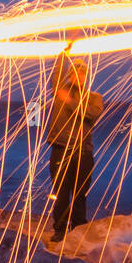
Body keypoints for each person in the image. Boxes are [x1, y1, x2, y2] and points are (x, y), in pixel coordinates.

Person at [43, 41, 104, 242]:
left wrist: (70, 102)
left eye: (82, 73)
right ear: (70, 75)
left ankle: (78, 229)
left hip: (83, 153)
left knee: (79, 194)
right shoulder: (59, 91)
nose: (79, 75)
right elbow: (57, 75)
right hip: (60, 150)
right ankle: (60, 230)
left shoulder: (95, 98)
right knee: (61, 194)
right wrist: (63, 55)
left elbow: (91, 114)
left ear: (86, 76)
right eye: (75, 72)